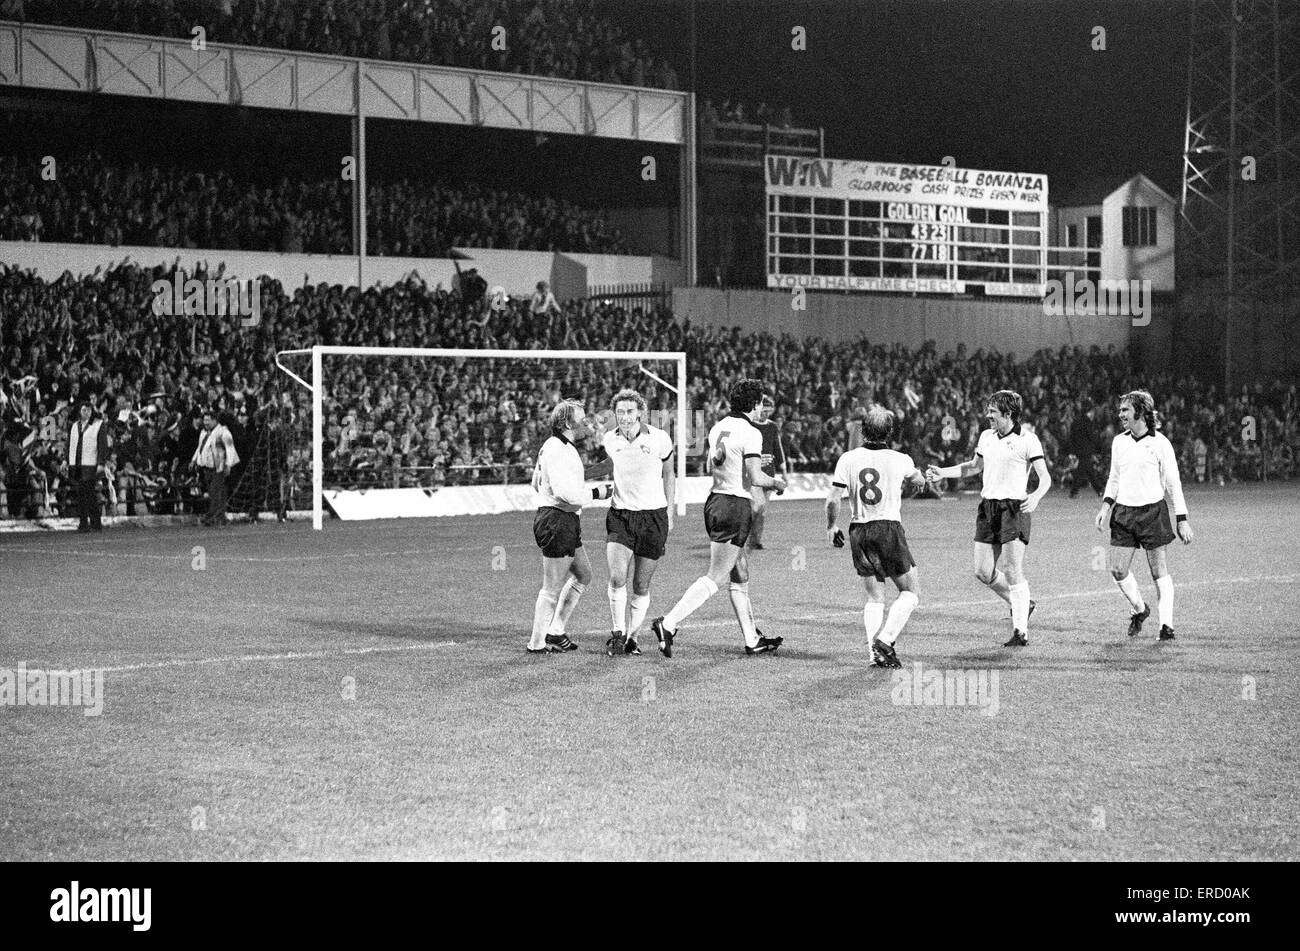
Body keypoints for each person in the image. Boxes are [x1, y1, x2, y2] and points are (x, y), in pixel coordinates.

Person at [651, 380, 787, 657]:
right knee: (717, 575)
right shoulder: (751, 433)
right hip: (734, 504)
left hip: (715, 500)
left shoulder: (718, 427)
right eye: (760, 401)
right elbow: (756, 476)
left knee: (740, 572)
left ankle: (752, 639)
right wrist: (778, 483)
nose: (762, 406)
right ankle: (669, 623)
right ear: (754, 404)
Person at [926, 390, 1051, 647]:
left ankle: (1021, 631)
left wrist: (1037, 495)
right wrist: (944, 473)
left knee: (1013, 569)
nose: (988, 416)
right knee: (982, 572)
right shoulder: (986, 436)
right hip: (988, 509)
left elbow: (1045, 476)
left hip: (1014, 510)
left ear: (1008, 413)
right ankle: (1023, 605)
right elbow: (974, 466)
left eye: (993, 412)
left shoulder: (1028, 440)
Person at [825, 406, 926, 668]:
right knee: (910, 592)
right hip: (888, 529)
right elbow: (919, 482)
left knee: (874, 597)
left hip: (859, 530)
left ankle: (874, 654)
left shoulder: (847, 459)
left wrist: (831, 526)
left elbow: (833, 498)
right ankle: (886, 640)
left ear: (864, 430)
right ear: (889, 432)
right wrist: (913, 487)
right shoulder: (900, 458)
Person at [1095, 390, 1193, 641]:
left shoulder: (1161, 444)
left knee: (1158, 570)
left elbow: (1174, 484)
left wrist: (1182, 519)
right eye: (1121, 410)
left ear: (1140, 411)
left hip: (1152, 512)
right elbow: (1114, 478)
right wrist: (1105, 507)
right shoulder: (1119, 442)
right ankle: (1140, 609)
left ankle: (1166, 627)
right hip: (1124, 512)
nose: (1120, 415)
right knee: (1117, 569)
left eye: (1125, 410)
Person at [528, 399, 612, 654]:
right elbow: (568, 494)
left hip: (563, 519)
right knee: (551, 587)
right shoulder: (558, 449)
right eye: (582, 418)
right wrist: (600, 492)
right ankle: (536, 644)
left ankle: (555, 631)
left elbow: (535, 482)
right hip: (557, 520)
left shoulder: (557, 447)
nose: (587, 422)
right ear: (567, 423)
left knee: (584, 574)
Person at [600, 390, 676, 656]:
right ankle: (618, 634)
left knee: (640, 586)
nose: (625, 417)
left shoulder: (659, 439)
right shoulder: (609, 439)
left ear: (640, 412)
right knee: (616, 576)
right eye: (620, 412)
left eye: (630, 412)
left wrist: (669, 510)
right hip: (621, 516)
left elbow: (669, 473)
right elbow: (612, 466)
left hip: (653, 517)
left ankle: (632, 637)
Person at [747, 393, 787, 550]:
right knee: (756, 506)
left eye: (768, 411)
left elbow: (778, 449)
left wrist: (784, 473)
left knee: (762, 510)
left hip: (769, 472)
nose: (766, 414)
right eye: (764, 411)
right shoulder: (750, 426)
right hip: (755, 473)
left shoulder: (772, 427)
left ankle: (755, 540)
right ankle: (746, 536)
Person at [66, 401, 108, 531]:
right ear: (80, 411)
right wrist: (66, 460)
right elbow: (69, 444)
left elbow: (103, 446)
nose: (87, 412)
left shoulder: (98, 425)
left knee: (88, 494)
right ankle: (86, 523)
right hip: (76, 464)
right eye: (84, 410)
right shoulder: (74, 426)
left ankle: (91, 523)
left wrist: (101, 463)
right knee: (82, 495)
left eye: (89, 410)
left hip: (90, 464)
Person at [191, 410, 230, 526]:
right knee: (216, 493)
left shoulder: (222, 432)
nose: (206, 422)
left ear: (214, 420)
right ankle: (220, 517)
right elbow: (200, 448)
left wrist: (228, 464)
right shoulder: (203, 433)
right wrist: (194, 460)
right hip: (206, 468)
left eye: (208, 420)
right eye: (204, 420)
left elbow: (229, 448)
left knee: (215, 492)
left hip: (218, 467)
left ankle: (212, 517)